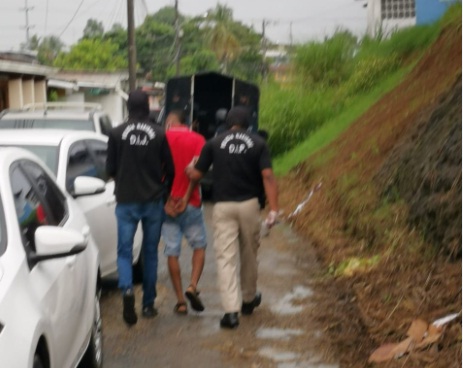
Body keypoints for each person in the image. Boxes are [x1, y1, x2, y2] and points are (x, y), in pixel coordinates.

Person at [181, 106, 279, 329]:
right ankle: (248, 299)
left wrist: (189, 168)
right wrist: (274, 209)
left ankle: (230, 312)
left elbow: (197, 174)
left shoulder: (214, 144)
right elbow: (268, 176)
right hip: (249, 205)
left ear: (227, 124)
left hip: (223, 206)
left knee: (226, 259)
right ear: (248, 125)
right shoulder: (258, 144)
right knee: (249, 254)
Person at [106, 89, 175, 325]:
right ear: (147, 107)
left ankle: (126, 290)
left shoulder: (115, 134)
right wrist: (164, 193)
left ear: (128, 108)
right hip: (153, 201)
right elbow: (171, 169)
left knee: (124, 251)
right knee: (150, 253)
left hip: (125, 202)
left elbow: (110, 169)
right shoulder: (158, 133)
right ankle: (148, 305)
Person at [162, 110, 208, 315]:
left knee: (172, 251)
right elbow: (198, 172)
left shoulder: (161, 138)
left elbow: (155, 172)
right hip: (191, 203)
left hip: (167, 205)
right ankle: (192, 285)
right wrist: (187, 198)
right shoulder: (198, 139)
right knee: (199, 246)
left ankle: (180, 301)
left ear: (170, 123)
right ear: (185, 123)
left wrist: (166, 201)